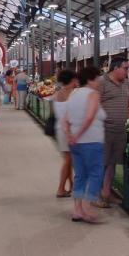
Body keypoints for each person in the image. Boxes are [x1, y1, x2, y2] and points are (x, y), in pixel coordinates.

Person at [62, 66, 105, 223]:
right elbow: (89, 117)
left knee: (80, 175)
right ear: (91, 79)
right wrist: (78, 134)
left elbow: (64, 118)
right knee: (95, 174)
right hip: (91, 140)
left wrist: (70, 135)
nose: (100, 80)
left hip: (75, 143)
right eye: (98, 77)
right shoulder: (93, 94)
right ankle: (88, 210)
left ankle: (77, 211)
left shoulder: (74, 93)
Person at [96, 56, 129, 208]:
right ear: (115, 68)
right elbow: (93, 103)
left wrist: (125, 111)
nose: (127, 71)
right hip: (104, 130)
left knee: (112, 163)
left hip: (120, 130)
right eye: (125, 68)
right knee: (102, 163)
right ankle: (95, 195)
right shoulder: (101, 82)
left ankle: (107, 193)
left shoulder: (126, 83)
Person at [52, 69, 78, 197]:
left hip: (60, 129)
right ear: (72, 80)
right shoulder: (73, 94)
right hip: (68, 130)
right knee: (68, 160)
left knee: (68, 159)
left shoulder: (58, 93)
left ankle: (71, 185)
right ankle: (61, 188)